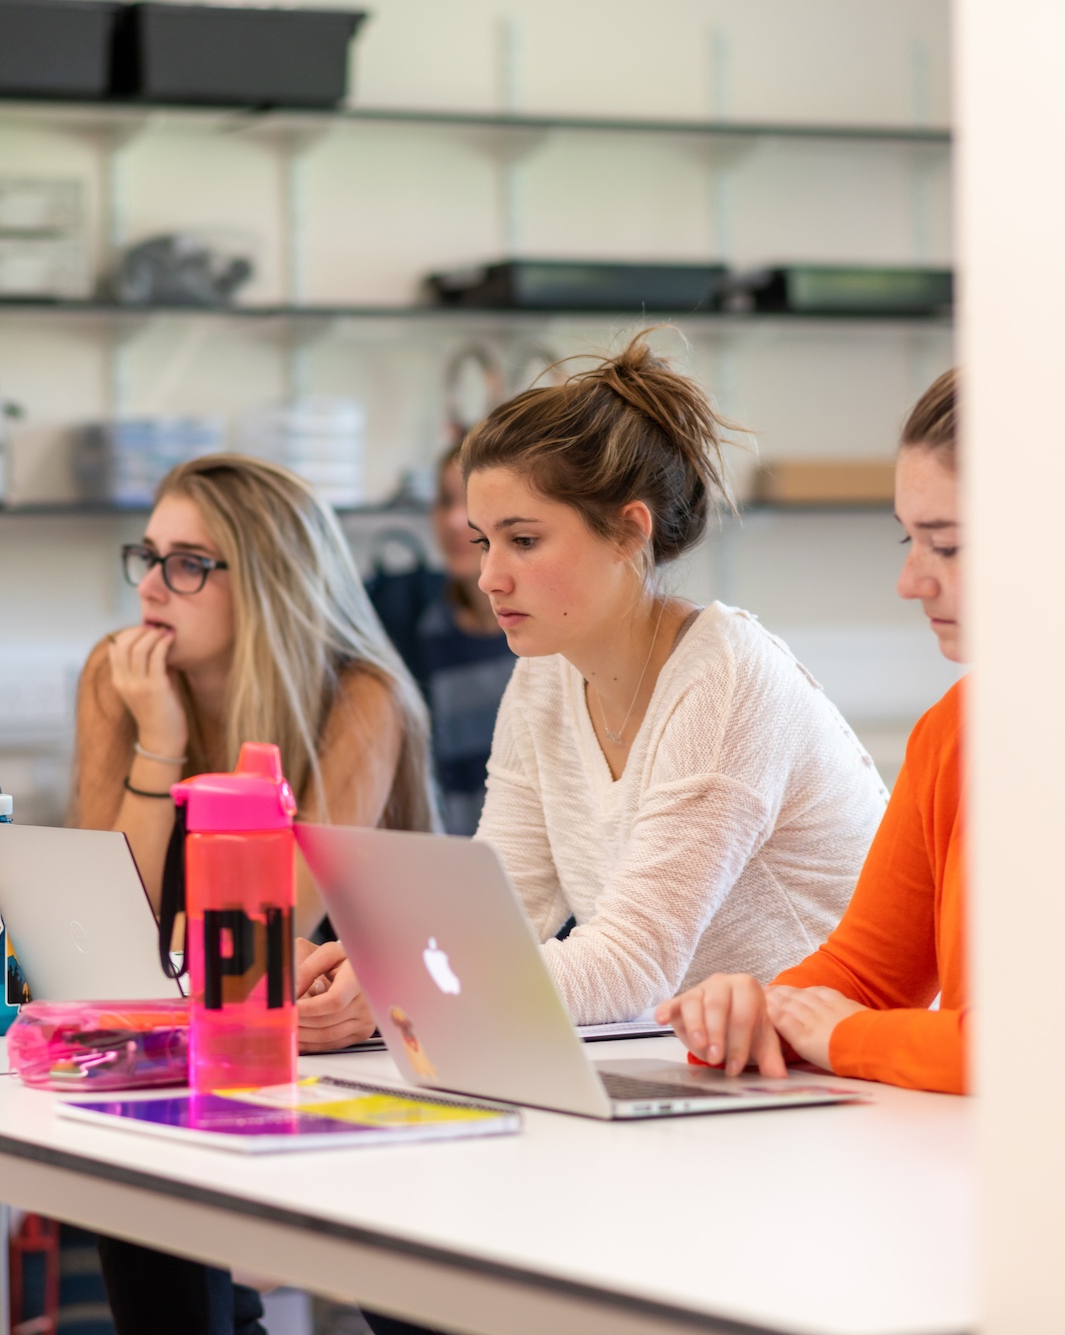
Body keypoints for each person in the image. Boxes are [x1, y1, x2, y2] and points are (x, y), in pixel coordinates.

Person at [300, 332, 889, 1053]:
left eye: (524, 540)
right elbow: (499, 907)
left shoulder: (727, 676)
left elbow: (631, 964)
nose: (489, 577)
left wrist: (405, 989)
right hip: (708, 1065)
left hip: (841, 1076)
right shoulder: (545, 672)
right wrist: (378, 965)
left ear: (628, 532)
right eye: (484, 542)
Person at [69, 452, 434, 1335]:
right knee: (139, 1186)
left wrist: (176, 947)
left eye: (189, 563)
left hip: (359, 1054)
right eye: (147, 555)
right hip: (196, 1057)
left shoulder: (360, 698)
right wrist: (159, 738)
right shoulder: (122, 680)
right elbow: (98, 927)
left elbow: (267, 929)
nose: (154, 585)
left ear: (268, 580)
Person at [656, 367, 968, 1094]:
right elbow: (865, 972)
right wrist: (749, 1013)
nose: (911, 580)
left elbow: (1043, 1045)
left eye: (946, 545)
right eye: (909, 542)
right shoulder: (951, 732)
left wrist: (843, 1034)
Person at [366, 444, 517, 834]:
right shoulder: (410, 627)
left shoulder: (548, 645)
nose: (453, 520)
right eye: (445, 500)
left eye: (471, 502)